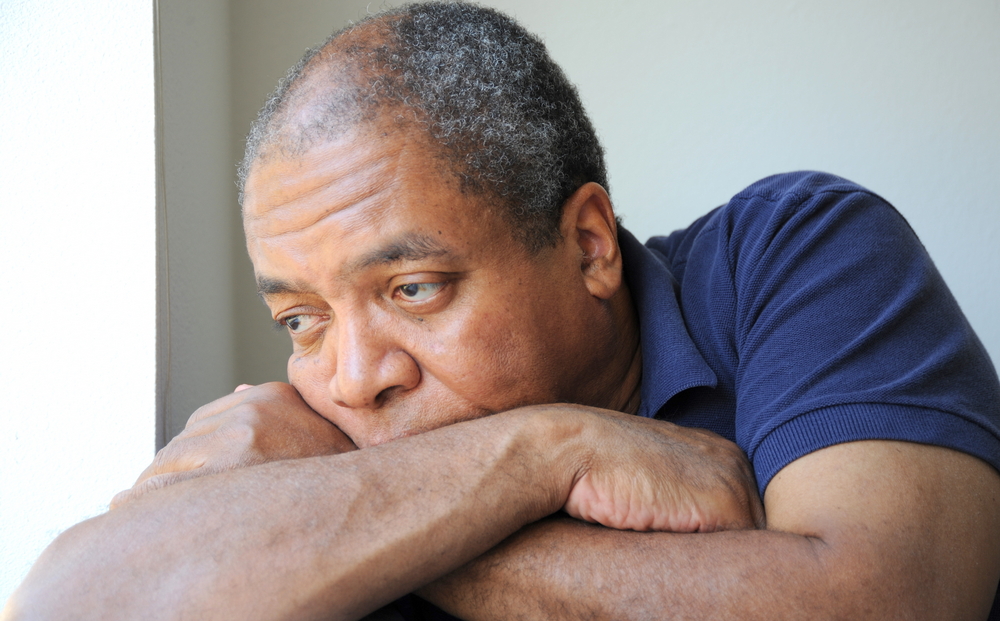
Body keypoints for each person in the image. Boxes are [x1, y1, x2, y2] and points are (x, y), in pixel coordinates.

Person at [5, 3, 1000, 620]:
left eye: (413, 289)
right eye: (301, 319)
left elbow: (885, 601)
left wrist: (361, 527)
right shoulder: (312, 429)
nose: (353, 379)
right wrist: (545, 451)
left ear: (589, 245)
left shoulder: (794, 249)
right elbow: (63, 608)